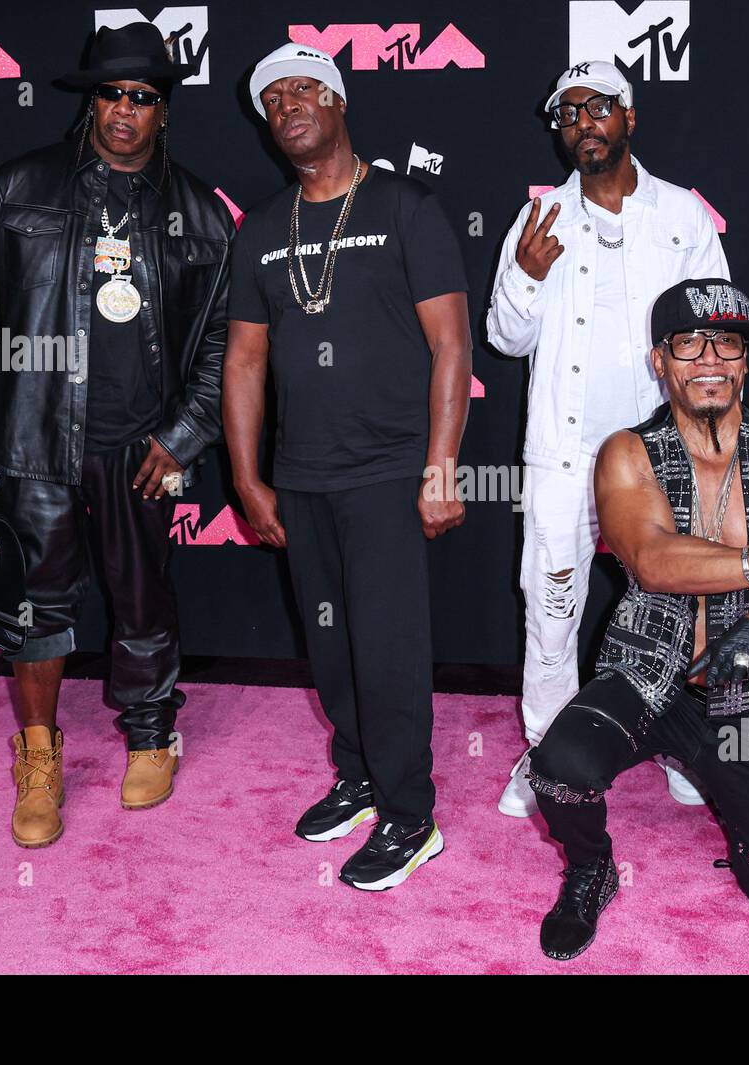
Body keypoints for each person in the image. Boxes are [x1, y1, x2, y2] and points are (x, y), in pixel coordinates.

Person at [527, 278, 749, 960]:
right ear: (659, 361)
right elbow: (654, 559)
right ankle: (590, 869)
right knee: (557, 766)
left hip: (747, 691)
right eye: (688, 343)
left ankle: (717, 772)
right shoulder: (626, 453)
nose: (708, 358)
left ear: (746, 360)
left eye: (726, 341)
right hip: (647, 673)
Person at [0, 22, 234, 847]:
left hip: (143, 445)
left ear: (164, 110)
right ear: (91, 99)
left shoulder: (200, 215)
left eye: (142, 97)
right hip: (33, 435)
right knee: (34, 604)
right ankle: (39, 753)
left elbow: (222, 346)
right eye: (110, 93)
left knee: (144, 596)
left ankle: (151, 731)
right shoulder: (20, 187)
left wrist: (182, 435)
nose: (123, 111)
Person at [224, 43, 471, 891]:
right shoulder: (260, 228)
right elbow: (245, 363)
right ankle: (361, 774)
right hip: (301, 475)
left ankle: (411, 815)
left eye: (304, 89)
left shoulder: (405, 205)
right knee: (331, 647)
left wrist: (442, 466)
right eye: (274, 98)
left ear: (337, 102)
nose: (289, 104)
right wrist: (249, 475)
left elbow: (451, 343)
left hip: (390, 471)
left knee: (388, 648)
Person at [487, 60, 728, 817]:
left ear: (630, 115)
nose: (583, 123)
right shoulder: (539, 221)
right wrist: (525, 276)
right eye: (568, 114)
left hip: (660, 461)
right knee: (550, 611)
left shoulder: (684, 215)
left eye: (598, 108)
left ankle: (684, 746)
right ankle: (546, 756)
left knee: (678, 610)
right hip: (562, 458)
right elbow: (503, 335)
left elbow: (716, 332)